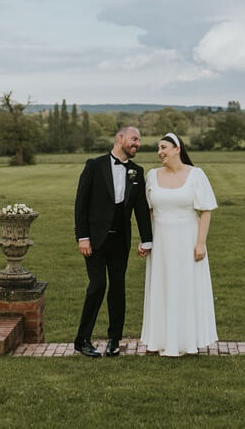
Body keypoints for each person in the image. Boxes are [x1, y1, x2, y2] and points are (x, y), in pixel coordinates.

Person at [73, 126, 153, 357]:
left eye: (139, 140)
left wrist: (146, 240)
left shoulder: (137, 172)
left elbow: (140, 209)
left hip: (121, 241)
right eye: (134, 139)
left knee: (118, 288)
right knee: (97, 286)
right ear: (120, 138)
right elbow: (81, 205)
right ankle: (83, 339)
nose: (137, 143)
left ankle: (114, 340)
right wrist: (83, 237)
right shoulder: (94, 166)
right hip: (95, 240)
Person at [140, 132, 218, 356]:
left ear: (177, 149)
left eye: (163, 147)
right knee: (163, 287)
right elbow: (148, 211)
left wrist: (200, 243)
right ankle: (161, 339)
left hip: (188, 238)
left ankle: (187, 341)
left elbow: (205, 210)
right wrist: (145, 241)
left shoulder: (196, 175)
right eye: (158, 148)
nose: (159, 152)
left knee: (186, 287)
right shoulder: (152, 176)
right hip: (162, 240)